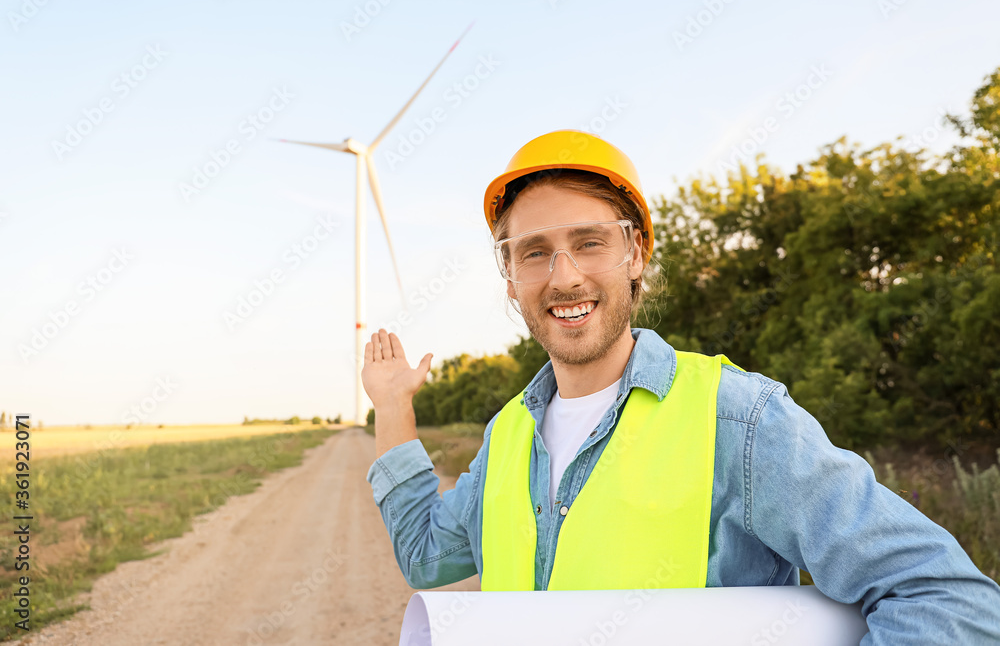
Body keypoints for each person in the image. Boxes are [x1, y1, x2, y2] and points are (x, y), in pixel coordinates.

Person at [362, 130, 1000, 643]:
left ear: (635, 254)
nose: (563, 276)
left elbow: (945, 598)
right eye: (533, 252)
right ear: (509, 276)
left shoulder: (737, 419)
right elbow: (426, 556)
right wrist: (393, 405)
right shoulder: (508, 434)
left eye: (589, 243)